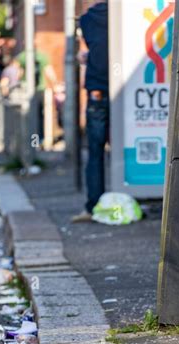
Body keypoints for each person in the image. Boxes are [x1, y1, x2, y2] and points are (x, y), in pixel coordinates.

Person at [72, 1, 109, 223]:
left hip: (97, 90)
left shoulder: (87, 19)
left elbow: (96, 48)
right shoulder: (128, 17)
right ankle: (129, 197)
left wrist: (87, 58)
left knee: (95, 151)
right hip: (125, 88)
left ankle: (94, 205)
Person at [17, 48, 57, 145]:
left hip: (27, 90)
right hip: (39, 90)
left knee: (29, 116)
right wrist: (55, 85)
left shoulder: (22, 56)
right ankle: (37, 142)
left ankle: (33, 142)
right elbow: (49, 71)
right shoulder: (41, 56)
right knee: (38, 117)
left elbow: (19, 73)